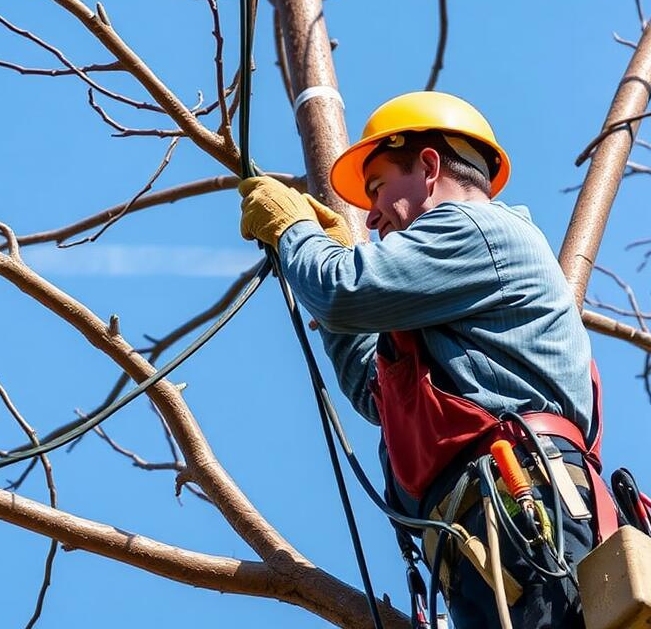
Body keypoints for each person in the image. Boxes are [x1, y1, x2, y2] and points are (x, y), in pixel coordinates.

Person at [238, 91, 617, 628]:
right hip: (485, 539)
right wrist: (331, 265)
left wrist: (297, 236)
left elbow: (344, 290)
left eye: (378, 188)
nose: (369, 217)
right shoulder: (447, 291)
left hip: (527, 515)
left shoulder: (477, 229)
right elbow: (377, 390)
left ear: (431, 167)